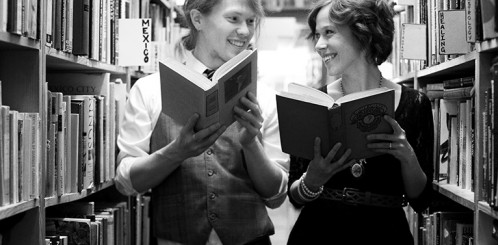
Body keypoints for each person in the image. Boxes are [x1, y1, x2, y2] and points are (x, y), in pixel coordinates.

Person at [113, 0, 289, 244]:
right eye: (234, 18)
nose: (246, 31)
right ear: (197, 19)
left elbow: (276, 196)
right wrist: (175, 153)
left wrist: (251, 145)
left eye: (251, 21)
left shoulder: (266, 97)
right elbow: (126, 182)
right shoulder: (151, 89)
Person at [286, 0, 434, 244]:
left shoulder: (414, 103)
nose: (319, 45)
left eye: (329, 33)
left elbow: (421, 200)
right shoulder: (313, 102)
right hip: (317, 233)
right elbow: (294, 196)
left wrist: (407, 156)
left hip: (386, 234)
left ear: (363, 33)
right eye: (316, 36)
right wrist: (312, 179)